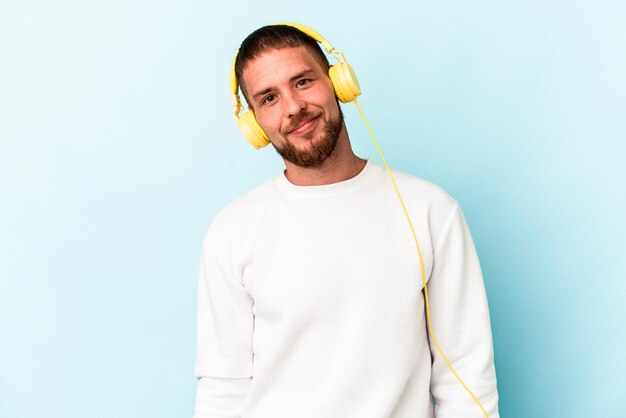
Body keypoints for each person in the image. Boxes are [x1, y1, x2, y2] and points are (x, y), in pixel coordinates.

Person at [193, 24, 499, 418]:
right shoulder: (232, 232)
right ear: (254, 123)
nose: (292, 107)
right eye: (269, 98)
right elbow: (223, 387)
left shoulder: (430, 210)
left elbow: (467, 377)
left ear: (339, 82)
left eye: (302, 82)